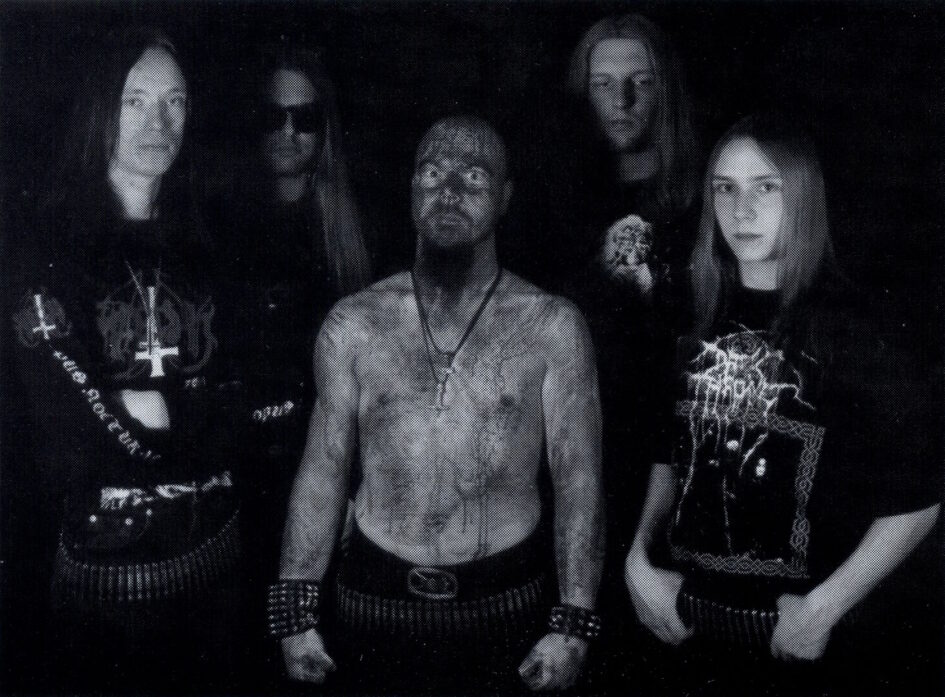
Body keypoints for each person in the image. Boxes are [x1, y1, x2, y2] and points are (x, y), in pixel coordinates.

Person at [270, 115, 605, 694]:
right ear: (411, 189)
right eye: (431, 173)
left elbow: (579, 480)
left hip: (506, 607)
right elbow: (324, 468)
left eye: (472, 176)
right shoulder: (355, 323)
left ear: (505, 197)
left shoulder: (551, 326)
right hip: (374, 603)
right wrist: (295, 614)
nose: (448, 191)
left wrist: (574, 624)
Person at [624, 111, 942, 696]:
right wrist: (637, 560)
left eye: (766, 187)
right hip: (683, 634)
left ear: (802, 196)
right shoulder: (689, 317)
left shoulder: (854, 330)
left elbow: (920, 497)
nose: (742, 210)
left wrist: (823, 608)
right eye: (725, 188)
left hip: (799, 649)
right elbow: (668, 453)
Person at [10, 27, 245, 694]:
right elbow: (64, 429)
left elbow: (248, 392)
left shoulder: (214, 239)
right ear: (99, 110)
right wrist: (181, 423)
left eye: (175, 101)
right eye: (134, 100)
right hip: (108, 580)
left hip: (217, 562)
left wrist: (162, 411)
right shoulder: (46, 244)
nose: (158, 122)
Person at [215, 44, 373, 684]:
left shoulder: (351, 228)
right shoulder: (217, 220)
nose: (288, 132)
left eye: (304, 118)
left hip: (324, 464)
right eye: (272, 115)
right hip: (238, 471)